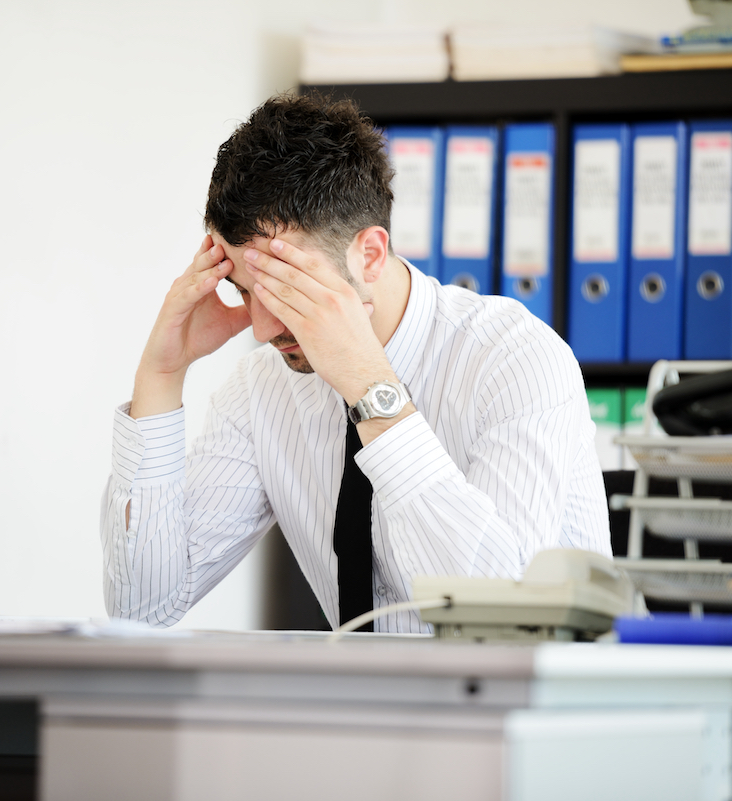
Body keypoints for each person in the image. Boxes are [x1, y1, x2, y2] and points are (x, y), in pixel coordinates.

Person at [101, 93, 610, 632]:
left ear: (368, 254)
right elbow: (142, 610)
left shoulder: (514, 359)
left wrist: (371, 389)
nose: (262, 328)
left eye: (287, 289)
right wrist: (160, 377)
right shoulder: (261, 390)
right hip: (370, 711)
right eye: (245, 292)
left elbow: (502, 619)